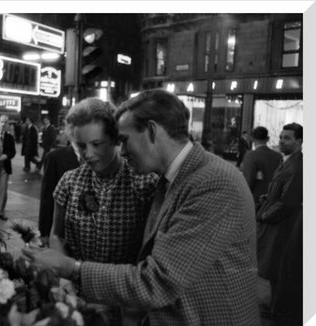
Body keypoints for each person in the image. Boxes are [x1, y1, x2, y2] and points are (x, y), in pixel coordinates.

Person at [23, 89, 260, 325]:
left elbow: (158, 281)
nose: (122, 151)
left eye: (124, 140)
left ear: (152, 131)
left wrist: (70, 268)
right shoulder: (173, 178)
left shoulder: (212, 181)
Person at [51, 98, 158, 324]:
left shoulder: (144, 183)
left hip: (126, 303)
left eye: (97, 144)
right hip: (78, 299)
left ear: (114, 140)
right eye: (81, 145)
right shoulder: (69, 183)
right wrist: (64, 279)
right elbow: (57, 234)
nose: (88, 153)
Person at [256, 123, 303, 320]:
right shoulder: (286, 162)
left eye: (287, 138)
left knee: (280, 268)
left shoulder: (298, 165)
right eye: (281, 137)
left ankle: (279, 311)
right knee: (274, 269)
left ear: (299, 142)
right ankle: (275, 307)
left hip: (283, 227)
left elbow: (288, 202)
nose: (282, 141)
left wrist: (264, 215)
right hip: (276, 224)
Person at [38, 139, 80, 247]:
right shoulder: (54, 157)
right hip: (63, 233)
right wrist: (45, 233)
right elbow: (47, 197)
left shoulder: (99, 157)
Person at [241, 126, 282, 209]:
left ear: (252, 138)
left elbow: (248, 180)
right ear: (268, 138)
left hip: (256, 200)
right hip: (274, 199)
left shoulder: (251, 156)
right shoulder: (278, 156)